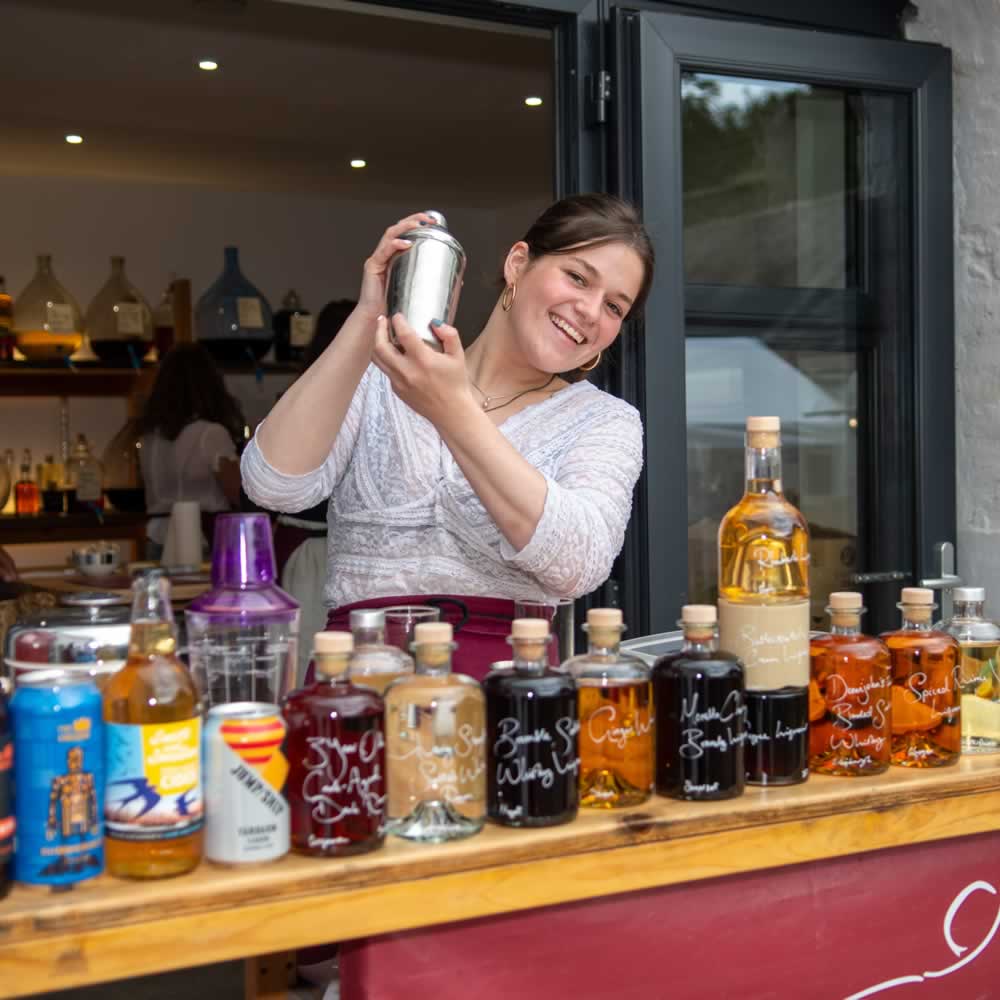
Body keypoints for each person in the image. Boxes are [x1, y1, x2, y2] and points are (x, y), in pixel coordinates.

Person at [242, 194, 654, 679]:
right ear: (518, 263)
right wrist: (367, 318)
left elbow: (578, 561)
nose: (589, 310)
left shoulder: (604, 420)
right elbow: (273, 484)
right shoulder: (380, 375)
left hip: (510, 697)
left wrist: (453, 410)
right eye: (578, 277)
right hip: (360, 689)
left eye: (613, 306)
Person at [137, 343, 246, 560]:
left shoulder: (149, 437)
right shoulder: (211, 433)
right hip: (201, 540)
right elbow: (238, 494)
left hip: (157, 538)